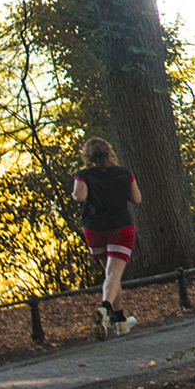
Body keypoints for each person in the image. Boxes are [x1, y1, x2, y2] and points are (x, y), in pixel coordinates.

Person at [72, 137, 142, 337]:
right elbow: (137, 198)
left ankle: (119, 320)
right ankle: (104, 309)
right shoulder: (124, 173)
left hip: (94, 228)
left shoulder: (83, 175)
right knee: (113, 274)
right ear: (109, 152)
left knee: (111, 275)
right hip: (120, 227)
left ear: (87, 156)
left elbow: (80, 197)